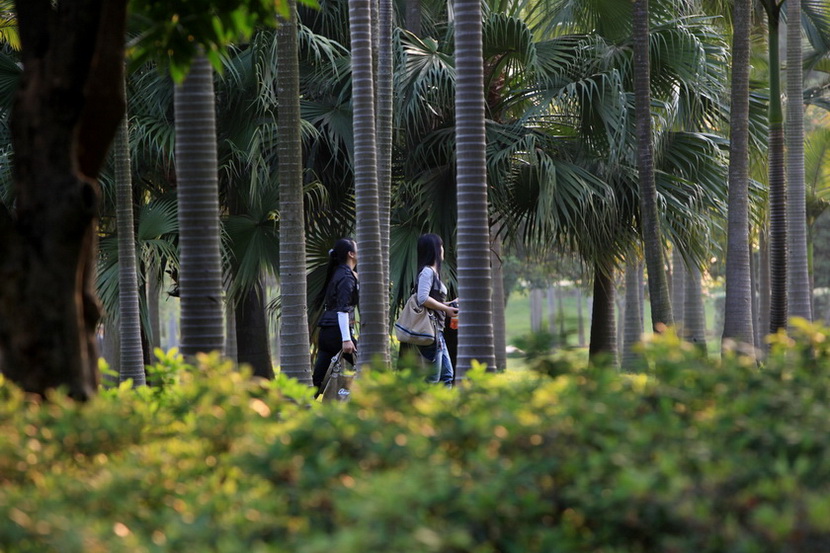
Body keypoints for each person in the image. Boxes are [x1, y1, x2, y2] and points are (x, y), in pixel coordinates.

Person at [312, 238, 359, 396]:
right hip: (338, 333)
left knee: (317, 382)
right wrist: (346, 339)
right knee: (368, 369)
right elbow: (342, 309)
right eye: (357, 248)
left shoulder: (339, 273)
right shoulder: (346, 277)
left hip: (326, 332)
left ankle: (298, 410)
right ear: (351, 254)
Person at [414, 233, 459, 386]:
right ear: (435, 249)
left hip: (437, 331)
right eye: (440, 246)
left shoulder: (433, 273)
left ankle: (444, 407)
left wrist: (450, 303)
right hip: (431, 332)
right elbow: (423, 299)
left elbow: (432, 301)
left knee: (447, 375)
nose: (443, 249)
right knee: (433, 379)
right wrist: (446, 310)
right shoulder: (427, 272)